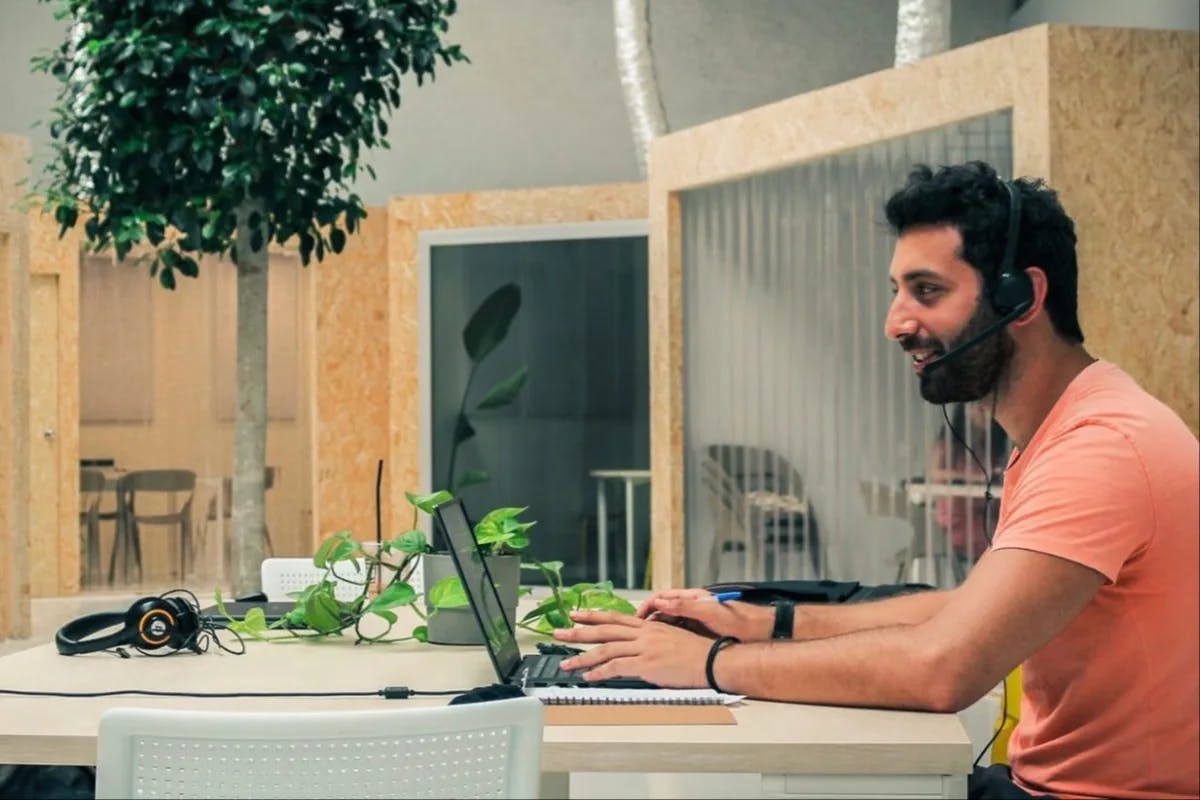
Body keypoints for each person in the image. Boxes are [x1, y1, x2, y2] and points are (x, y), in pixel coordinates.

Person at [553, 162, 1199, 800]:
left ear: (1020, 298)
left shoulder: (1101, 450)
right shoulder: (1070, 429)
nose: (895, 322)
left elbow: (942, 668)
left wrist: (705, 665)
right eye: (897, 291)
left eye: (926, 291)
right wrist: (757, 624)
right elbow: (970, 612)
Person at [928, 400, 1009, 571]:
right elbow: (936, 475)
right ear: (966, 412)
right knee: (1000, 544)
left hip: (986, 511)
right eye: (980, 409)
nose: (986, 415)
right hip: (959, 514)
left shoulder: (990, 445)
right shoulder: (949, 443)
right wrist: (972, 477)